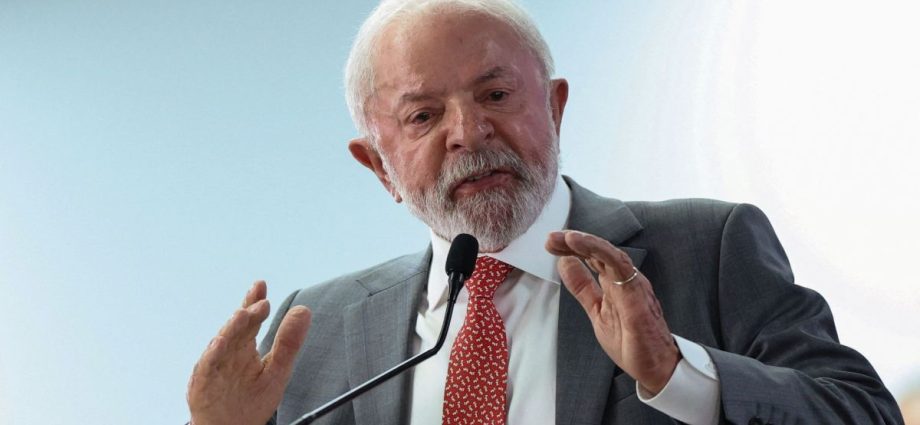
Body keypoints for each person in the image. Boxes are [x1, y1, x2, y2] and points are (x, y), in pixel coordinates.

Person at [185, 1, 903, 424]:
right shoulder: (316, 329)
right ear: (378, 166)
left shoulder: (707, 247)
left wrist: (678, 372)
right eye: (424, 115)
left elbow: (864, 413)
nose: (469, 133)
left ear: (555, 108)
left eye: (496, 95)